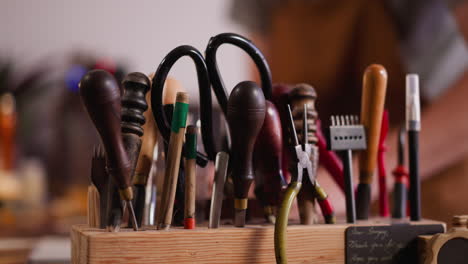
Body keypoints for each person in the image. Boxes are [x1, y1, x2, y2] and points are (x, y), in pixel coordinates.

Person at [231, 0, 468, 225]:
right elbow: (264, 87)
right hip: (315, 200)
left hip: (430, 195)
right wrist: (255, 164)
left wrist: (353, 180)